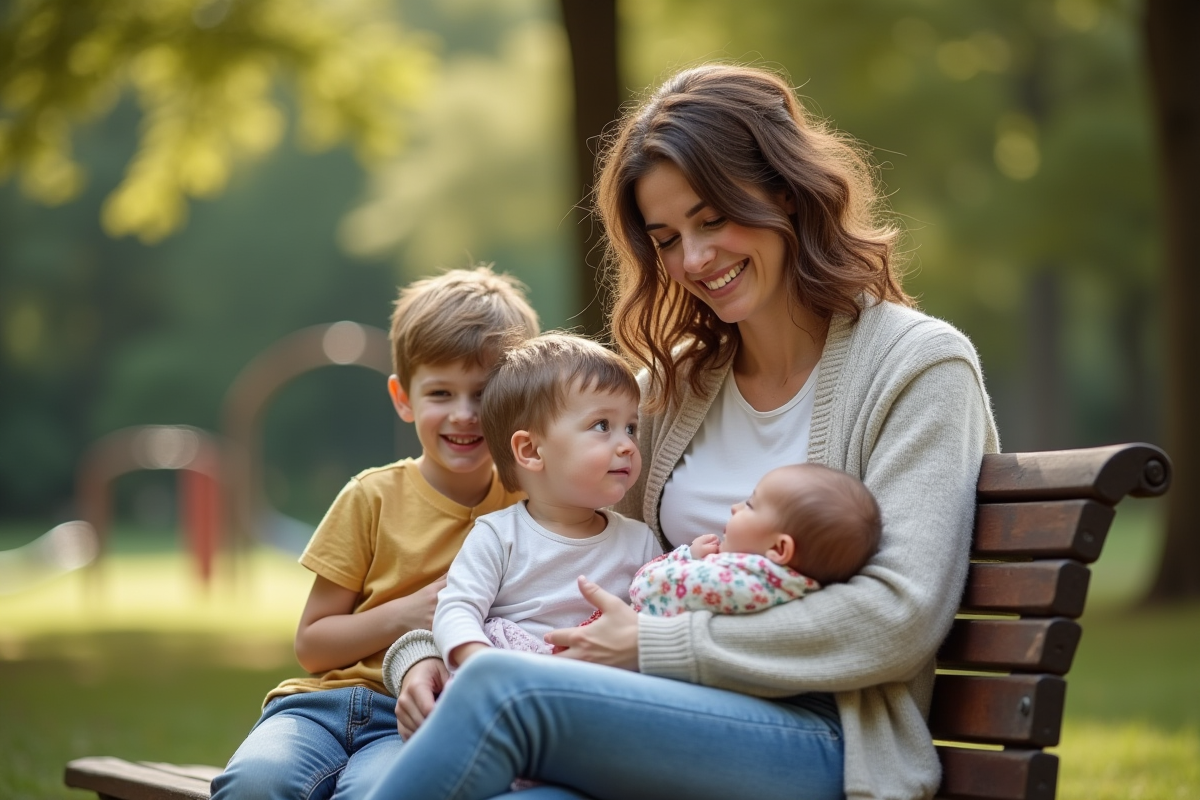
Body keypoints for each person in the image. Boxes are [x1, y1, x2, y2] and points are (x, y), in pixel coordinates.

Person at [368, 63, 999, 800]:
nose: (693, 260)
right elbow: (539, 555)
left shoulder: (916, 367)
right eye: (666, 238)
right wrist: (416, 654)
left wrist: (657, 646)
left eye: (712, 218)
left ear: (788, 193)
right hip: (652, 721)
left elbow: (897, 618)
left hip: (825, 738)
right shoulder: (674, 388)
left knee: (507, 693)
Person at [209, 265, 539, 800]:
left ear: (519, 397)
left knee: (380, 793)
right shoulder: (371, 497)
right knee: (255, 783)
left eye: (483, 394)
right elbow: (312, 645)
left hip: (415, 716)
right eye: (440, 393)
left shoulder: (528, 505)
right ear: (403, 397)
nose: (464, 414)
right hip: (321, 708)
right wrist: (405, 614)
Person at [630, 463, 880, 618]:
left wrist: (686, 556)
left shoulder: (738, 581)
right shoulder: (792, 588)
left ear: (779, 549)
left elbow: (647, 587)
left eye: (750, 505)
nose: (735, 508)